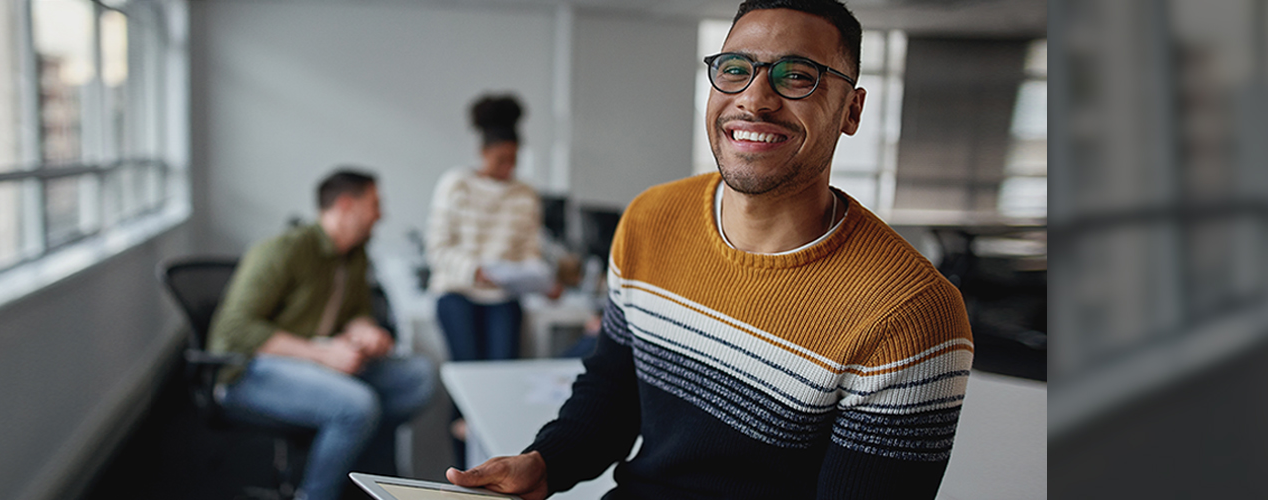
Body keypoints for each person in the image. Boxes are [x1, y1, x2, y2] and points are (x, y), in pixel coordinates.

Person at [445, 1, 974, 498]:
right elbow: (613, 387)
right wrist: (546, 462)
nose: (755, 98)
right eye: (735, 68)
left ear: (851, 111)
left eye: (796, 75)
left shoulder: (912, 316)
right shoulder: (651, 219)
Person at [210, 169, 436, 500]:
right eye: (374, 204)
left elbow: (356, 312)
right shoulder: (283, 249)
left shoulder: (355, 255)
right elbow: (234, 329)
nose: (381, 215)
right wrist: (323, 355)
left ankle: (366, 471)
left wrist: (365, 331)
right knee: (357, 406)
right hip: (249, 370)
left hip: (317, 362)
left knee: (419, 375)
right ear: (346, 205)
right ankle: (316, 494)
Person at [425, 93, 558, 365]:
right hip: (458, 292)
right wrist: (475, 271)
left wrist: (542, 281)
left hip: (503, 297)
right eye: (500, 159)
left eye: (513, 160)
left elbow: (530, 252)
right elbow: (437, 248)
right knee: (468, 373)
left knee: (502, 373)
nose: (507, 167)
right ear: (483, 153)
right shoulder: (456, 184)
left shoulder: (525, 194)